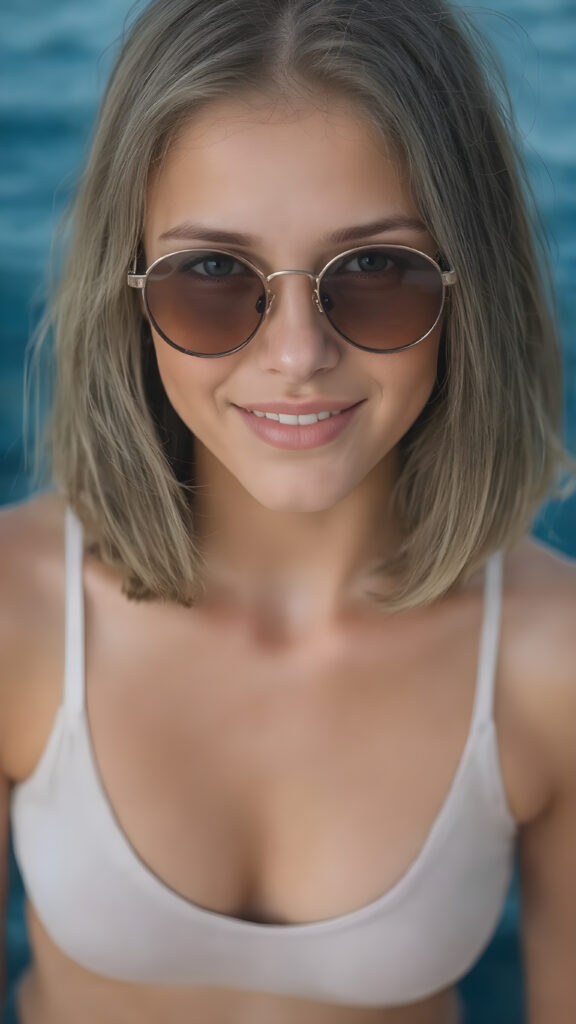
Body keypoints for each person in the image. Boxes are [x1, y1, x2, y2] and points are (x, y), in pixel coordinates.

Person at [1, 0, 575, 1021]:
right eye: (212, 276)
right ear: (128, 292)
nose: (299, 354)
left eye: (376, 272)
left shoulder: (555, 658)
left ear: (467, 287)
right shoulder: (16, 610)